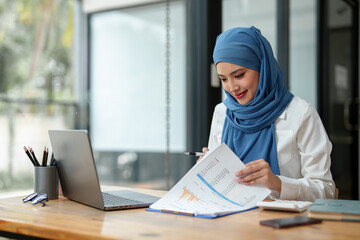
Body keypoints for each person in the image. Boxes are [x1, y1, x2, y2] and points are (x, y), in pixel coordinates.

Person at [201, 26, 335, 201]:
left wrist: (278, 183)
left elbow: (326, 191)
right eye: (223, 79)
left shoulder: (301, 114)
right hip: (229, 221)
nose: (232, 88)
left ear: (262, 68)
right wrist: (206, 169)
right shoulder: (222, 112)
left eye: (239, 75)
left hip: (285, 224)